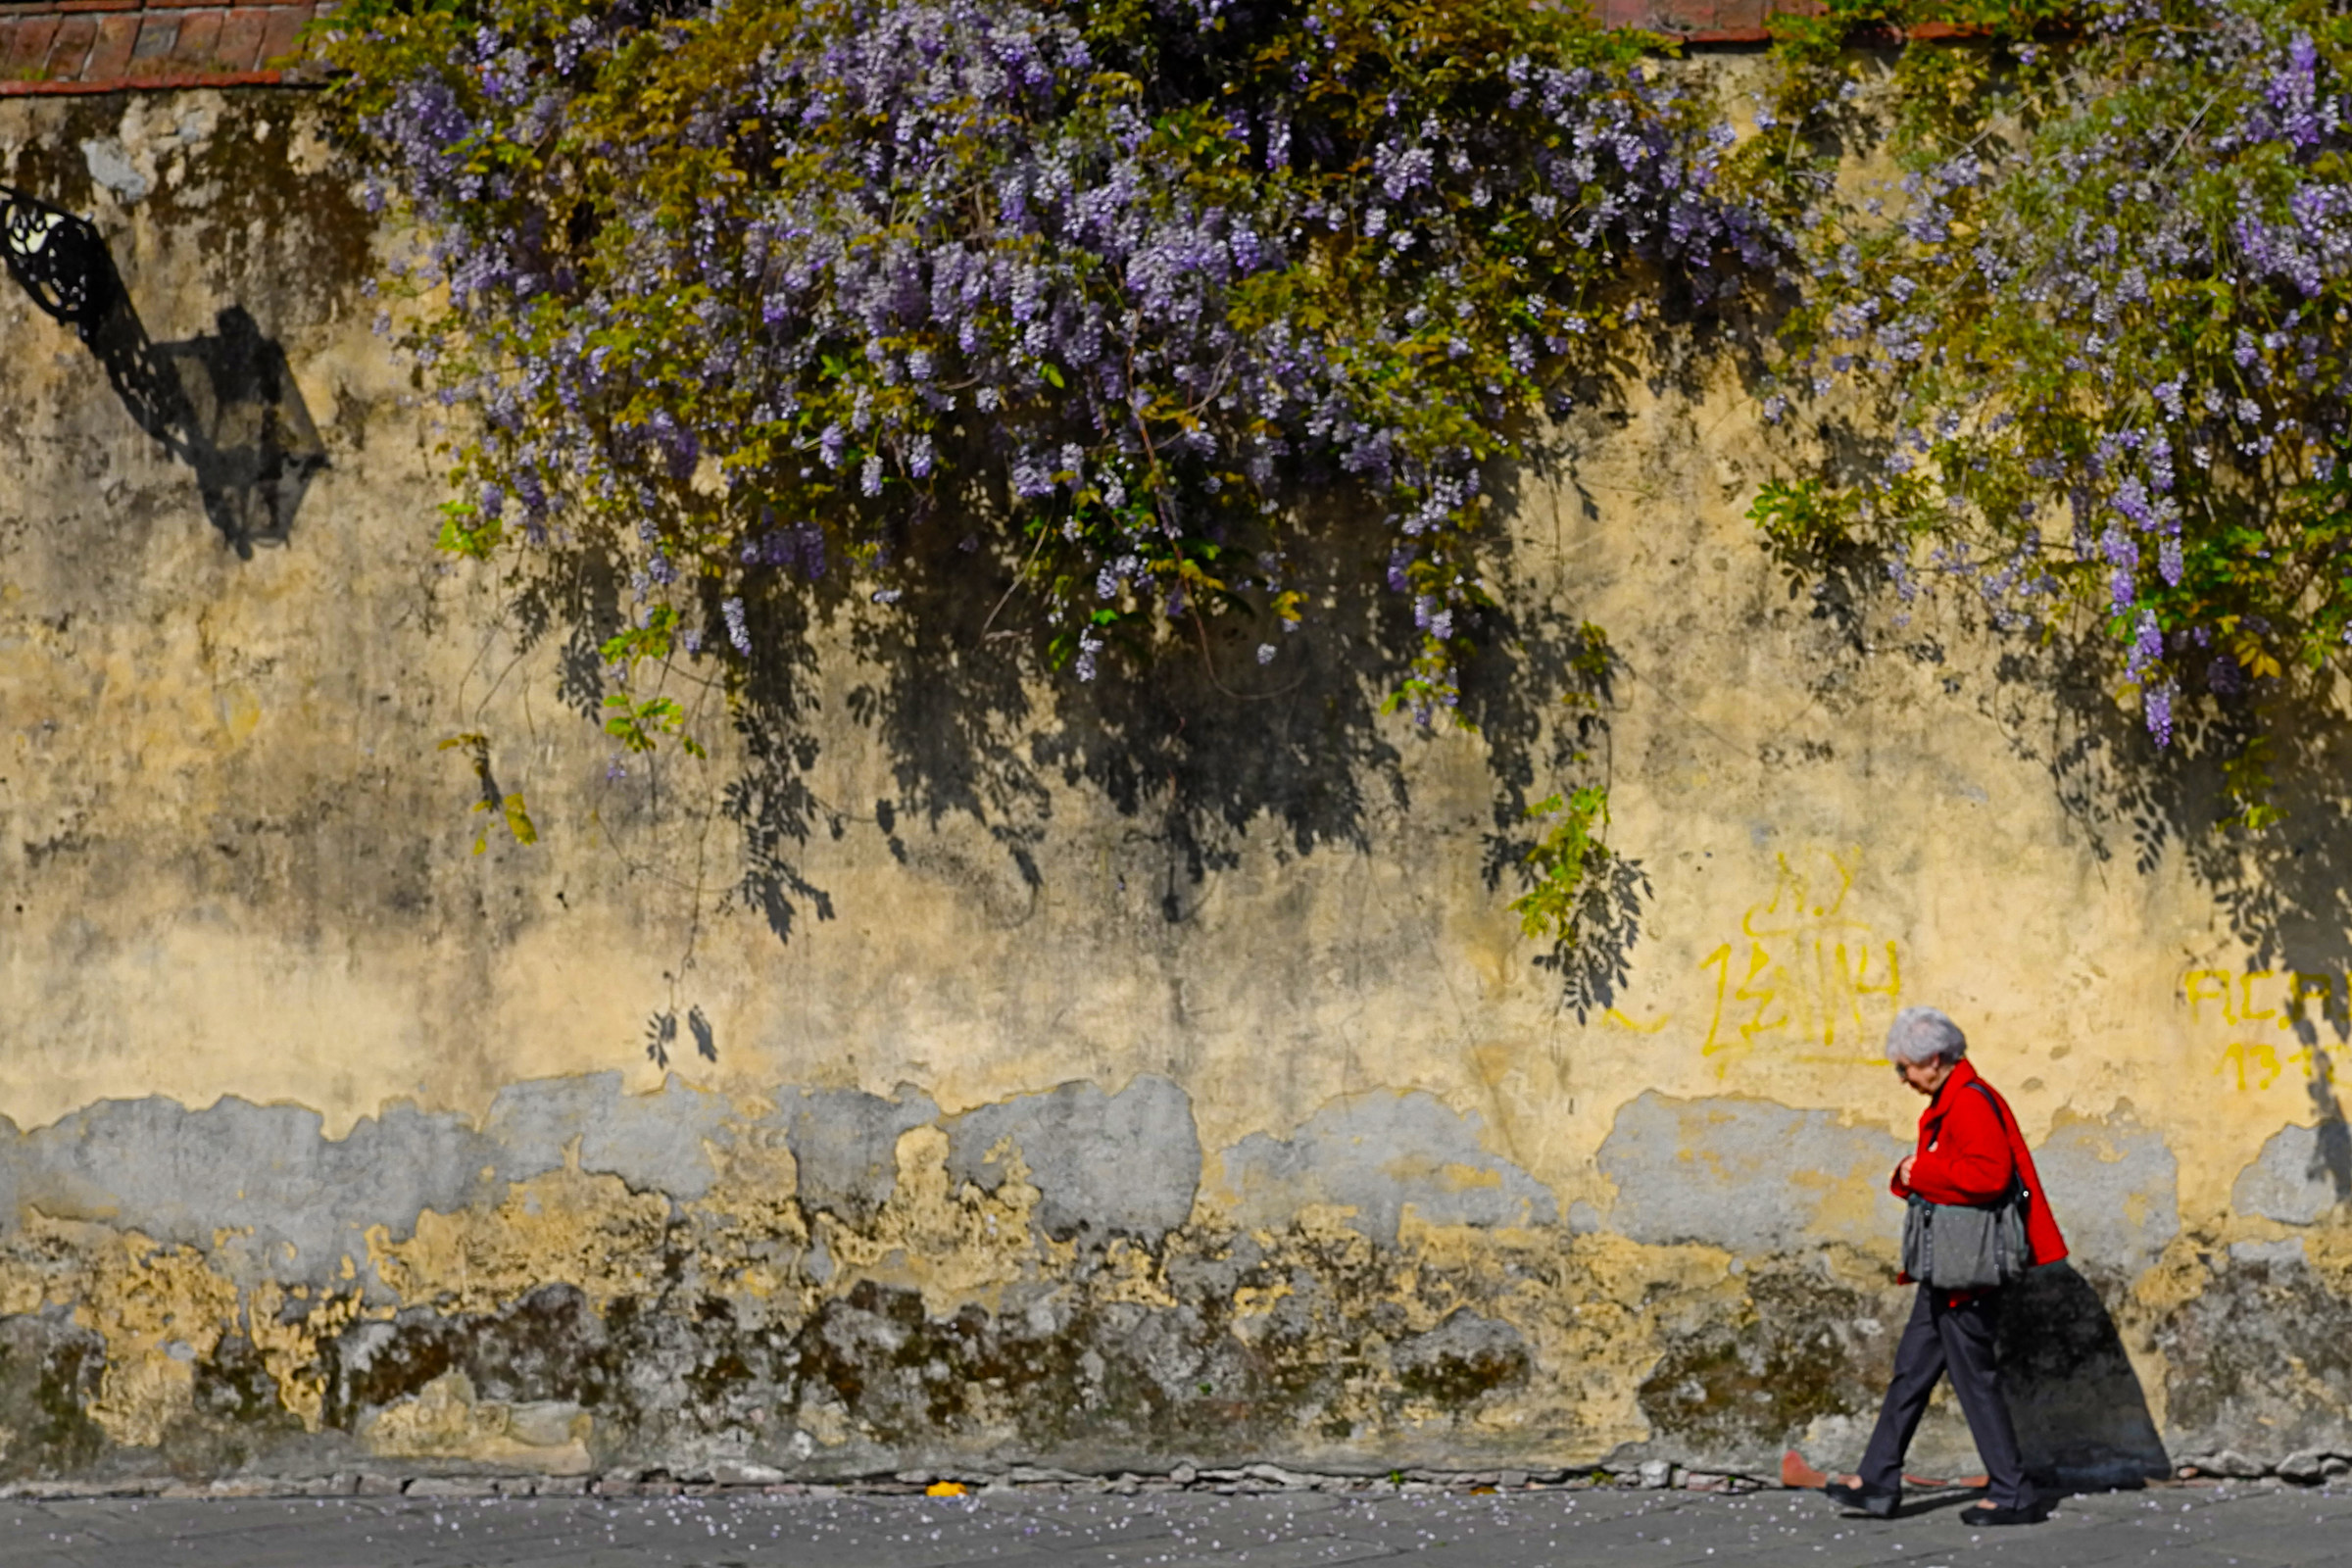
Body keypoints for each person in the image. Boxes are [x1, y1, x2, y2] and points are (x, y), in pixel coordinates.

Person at [1825, 1006, 2068, 1527]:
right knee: (1911, 1371)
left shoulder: (1969, 1103)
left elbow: (1988, 1175)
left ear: (1934, 1061)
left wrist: (1922, 1170)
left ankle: (2013, 1491)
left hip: (1967, 1270)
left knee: (1974, 1378)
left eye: (1906, 1068)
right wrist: (1911, 1173)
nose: (1904, 1078)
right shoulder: (1954, 1097)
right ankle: (1877, 1479)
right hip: (1948, 1268)